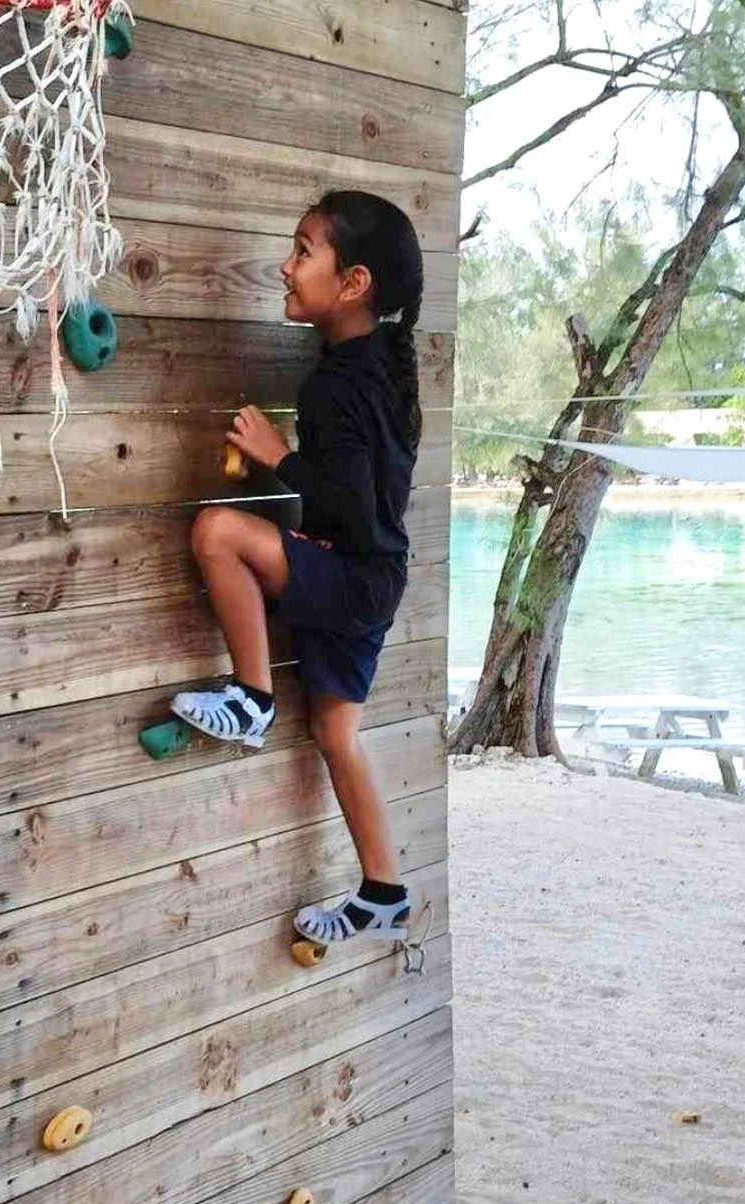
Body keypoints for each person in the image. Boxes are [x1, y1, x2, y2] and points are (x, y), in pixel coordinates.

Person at [169, 189, 425, 950]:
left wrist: (279, 457)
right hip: (374, 578)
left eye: (304, 250)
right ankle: (383, 892)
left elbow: (351, 497)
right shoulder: (376, 368)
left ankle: (250, 698)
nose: (286, 265)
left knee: (217, 532)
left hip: (352, 575)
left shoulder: (336, 384)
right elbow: (372, 499)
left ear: (353, 284)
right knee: (338, 733)